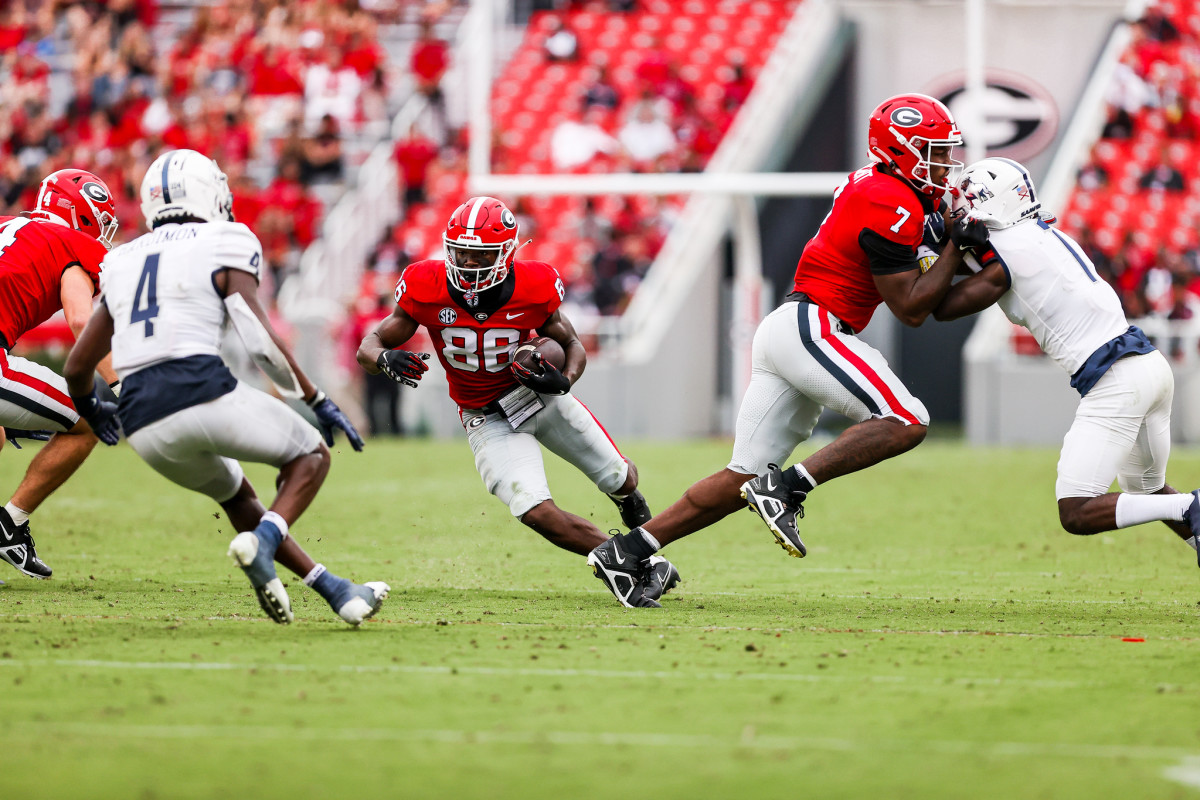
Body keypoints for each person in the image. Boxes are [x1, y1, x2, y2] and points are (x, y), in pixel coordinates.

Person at [586, 93, 970, 606]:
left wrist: (965, 241)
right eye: (932, 151)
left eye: (945, 153)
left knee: (740, 474)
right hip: (813, 327)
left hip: (794, 328)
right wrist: (960, 243)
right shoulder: (887, 197)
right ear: (898, 149)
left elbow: (934, 279)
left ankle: (628, 552)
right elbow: (913, 308)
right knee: (906, 419)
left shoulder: (892, 192)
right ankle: (790, 487)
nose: (943, 164)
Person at [62, 149, 387, 626]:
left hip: (143, 425)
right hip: (199, 390)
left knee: (238, 497)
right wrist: (316, 399)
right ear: (208, 190)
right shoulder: (226, 239)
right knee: (311, 455)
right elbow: (260, 341)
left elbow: (75, 367)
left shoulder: (123, 258)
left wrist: (94, 408)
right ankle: (265, 544)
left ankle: (336, 591)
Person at [356, 196, 681, 606]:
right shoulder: (427, 284)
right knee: (534, 509)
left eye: (480, 256)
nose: (468, 265)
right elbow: (370, 344)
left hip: (535, 398)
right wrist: (384, 357)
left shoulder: (533, 285)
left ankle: (628, 506)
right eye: (461, 254)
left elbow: (572, 344)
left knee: (621, 478)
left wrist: (565, 380)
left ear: (506, 254)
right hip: (485, 416)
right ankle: (633, 563)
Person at [931, 157, 1200, 553]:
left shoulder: (1007, 253)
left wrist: (947, 243)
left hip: (1118, 381)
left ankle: (1193, 504)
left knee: (1076, 510)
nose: (959, 208)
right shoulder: (1041, 235)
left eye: (965, 200)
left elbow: (939, 306)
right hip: (1150, 367)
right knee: (1149, 492)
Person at [0, 168, 121, 580]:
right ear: (81, 212)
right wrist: (124, 385)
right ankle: (9, 524)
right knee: (87, 421)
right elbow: (82, 321)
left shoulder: (8, 225)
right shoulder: (70, 243)